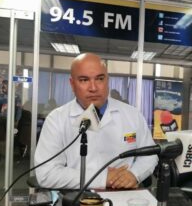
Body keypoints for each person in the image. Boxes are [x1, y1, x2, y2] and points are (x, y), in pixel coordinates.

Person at [35, 53, 158, 189]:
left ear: (107, 80)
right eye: (84, 80)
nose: (93, 88)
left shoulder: (132, 114)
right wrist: (103, 178)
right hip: (78, 198)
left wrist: (134, 174)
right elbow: (46, 174)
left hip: (123, 195)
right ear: (72, 84)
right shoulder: (56, 119)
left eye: (99, 79)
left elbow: (150, 155)